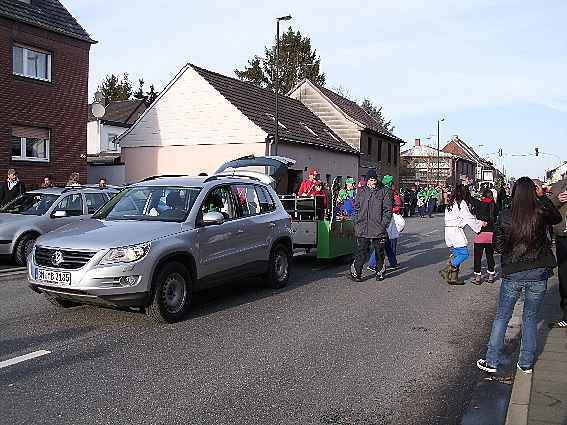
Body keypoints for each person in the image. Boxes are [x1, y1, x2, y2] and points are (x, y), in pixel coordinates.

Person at [477, 177, 562, 374]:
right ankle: (526, 364)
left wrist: (510, 248)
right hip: (538, 272)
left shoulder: (505, 214)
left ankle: (491, 361)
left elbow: (497, 246)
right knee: (531, 319)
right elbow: (556, 218)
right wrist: (544, 198)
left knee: (502, 317)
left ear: (514, 193)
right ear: (534, 192)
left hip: (513, 272)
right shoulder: (541, 211)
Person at [350, 169, 392, 282]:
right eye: (370, 180)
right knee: (361, 251)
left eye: (374, 179)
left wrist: (383, 224)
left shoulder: (385, 191)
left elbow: (388, 210)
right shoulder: (361, 191)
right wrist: (356, 221)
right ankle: (357, 273)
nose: (372, 182)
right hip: (362, 227)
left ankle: (380, 272)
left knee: (379, 252)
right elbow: (356, 208)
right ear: (367, 180)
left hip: (378, 228)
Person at [439, 183, 485, 285]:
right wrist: (479, 224)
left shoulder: (450, 203)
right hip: (456, 231)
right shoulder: (461, 203)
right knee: (464, 253)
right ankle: (446, 270)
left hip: (448, 231)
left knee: (456, 254)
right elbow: (469, 218)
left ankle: (453, 278)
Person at [369, 175, 401, 271]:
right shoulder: (390, 192)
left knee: (386, 242)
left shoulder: (378, 191)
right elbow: (397, 205)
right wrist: (394, 209)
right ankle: (372, 263)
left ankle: (393, 262)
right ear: (391, 183)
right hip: (388, 220)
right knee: (387, 242)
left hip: (380, 220)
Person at [471, 188, 499, 285]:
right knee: (490, 256)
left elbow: (470, 199)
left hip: (480, 235)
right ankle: (491, 275)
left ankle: (478, 278)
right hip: (491, 235)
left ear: (483, 196)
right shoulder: (494, 205)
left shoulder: (480, 204)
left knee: (478, 257)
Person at [549, 179, 567, 328]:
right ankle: (566, 315)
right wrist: (557, 200)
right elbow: (547, 208)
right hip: (563, 237)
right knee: (564, 277)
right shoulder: (559, 185)